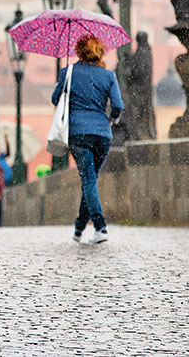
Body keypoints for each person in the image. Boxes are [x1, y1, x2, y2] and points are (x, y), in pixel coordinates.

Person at [51, 34, 123, 245]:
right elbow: (118, 105)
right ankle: (79, 229)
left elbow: (55, 99)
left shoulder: (69, 72)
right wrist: (111, 120)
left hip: (78, 133)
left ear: (79, 51)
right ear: (99, 51)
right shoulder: (108, 76)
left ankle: (100, 227)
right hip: (102, 135)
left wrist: (64, 80)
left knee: (88, 180)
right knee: (90, 179)